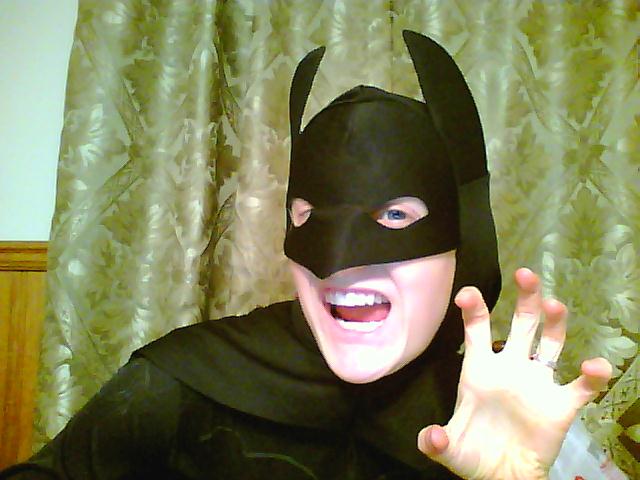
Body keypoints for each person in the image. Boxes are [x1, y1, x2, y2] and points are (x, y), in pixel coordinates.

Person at [0, 30, 611, 480]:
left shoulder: (508, 408)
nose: (338, 263)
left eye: (396, 217)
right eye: (308, 217)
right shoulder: (184, 382)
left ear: (464, 244)